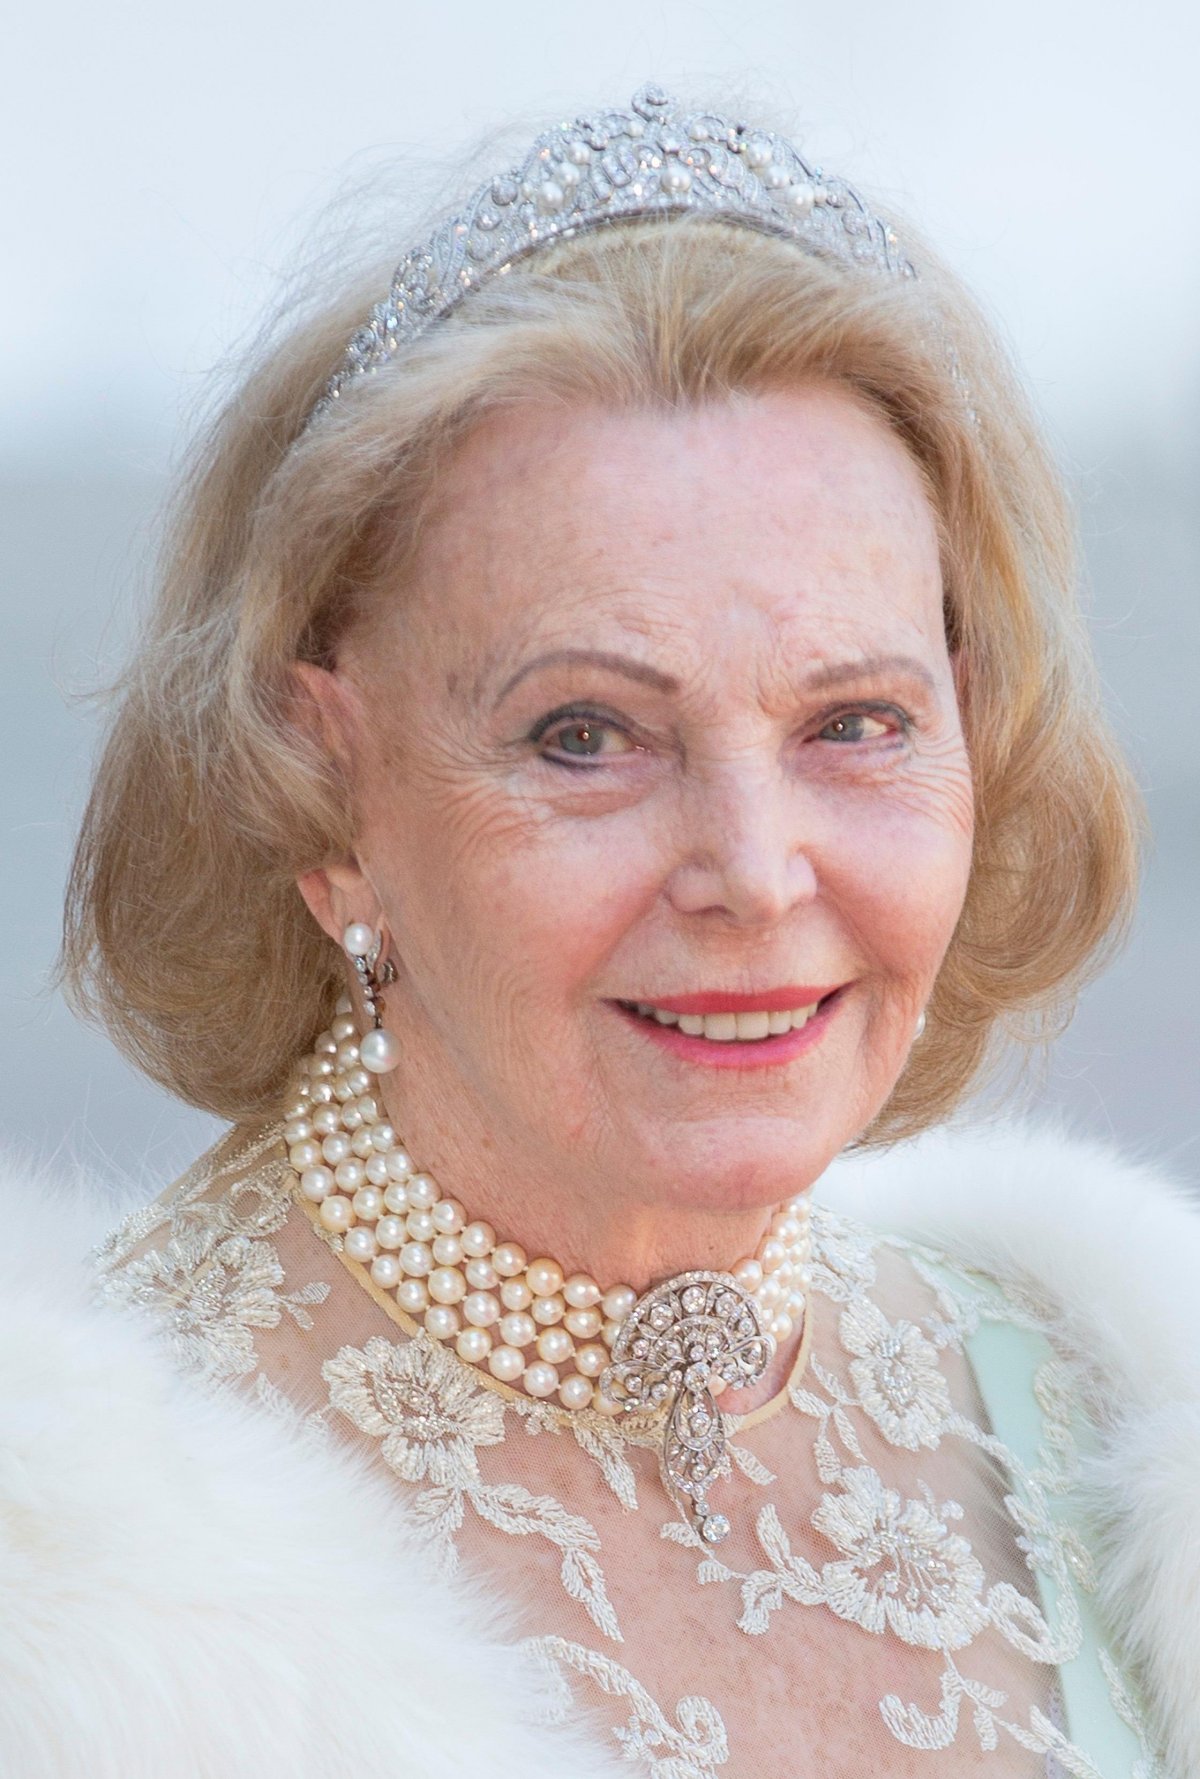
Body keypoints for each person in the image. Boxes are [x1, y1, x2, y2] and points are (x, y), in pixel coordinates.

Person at [2, 83, 1196, 1778]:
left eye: (855, 721)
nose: (756, 872)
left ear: (977, 728)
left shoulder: (1125, 1406)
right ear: (327, 799)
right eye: (587, 736)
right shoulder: (56, 1577)